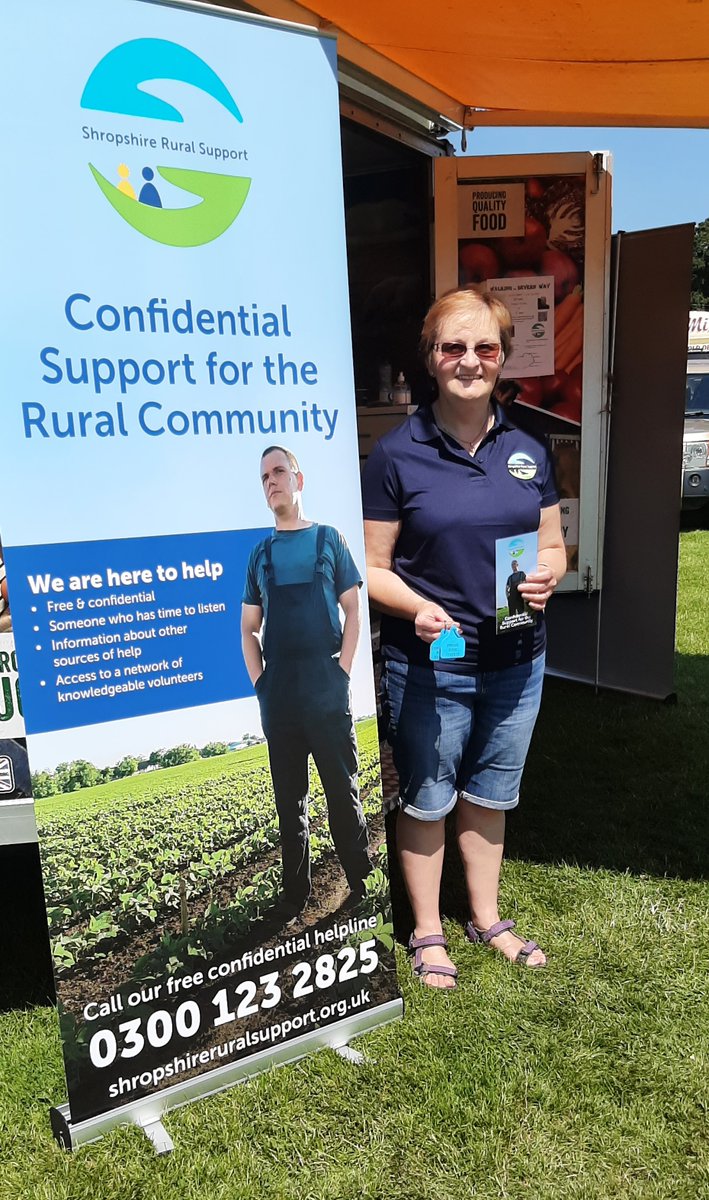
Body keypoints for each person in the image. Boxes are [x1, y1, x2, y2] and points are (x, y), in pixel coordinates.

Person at [362, 285, 566, 987]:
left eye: (484, 347)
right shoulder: (395, 455)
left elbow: (552, 547)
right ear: (430, 358)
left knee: (491, 792)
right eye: (453, 346)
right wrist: (415, 606)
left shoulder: (527, 449)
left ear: (504, 358)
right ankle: (425, 931)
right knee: (428, 794)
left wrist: (547, 576)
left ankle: (484, 917)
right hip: (432, 664)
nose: (469, 360)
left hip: (516, 656)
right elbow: (372, 568)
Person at [241, 446, 372, 921]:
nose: (271, 481)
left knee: (343, 792)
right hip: (280, 694)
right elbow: (247, 629)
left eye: (279, 471)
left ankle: (363, 881)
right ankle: (294, 897)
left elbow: (354, 610)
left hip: (325, 681)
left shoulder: (329, 539)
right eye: (264, 477)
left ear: (298, 478)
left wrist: (342, 673)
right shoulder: (259, 555)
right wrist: (261, 686)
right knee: (290, 805)